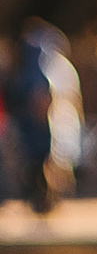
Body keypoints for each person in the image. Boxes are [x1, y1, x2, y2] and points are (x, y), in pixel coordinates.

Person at [5, 19, 57, 212]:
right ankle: (41, 200)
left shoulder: (29, 70)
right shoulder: (31, 68)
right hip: (32, 126)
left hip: (33, 127)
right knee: (35, 166)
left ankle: (42, 200)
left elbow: (41, 99)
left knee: (35, 166)